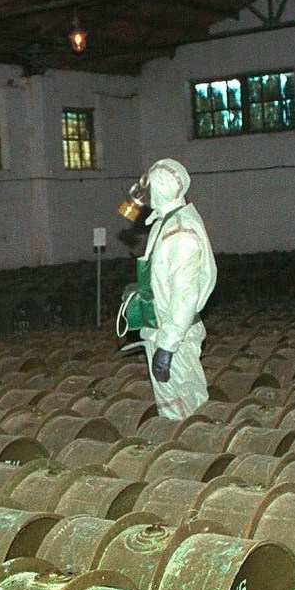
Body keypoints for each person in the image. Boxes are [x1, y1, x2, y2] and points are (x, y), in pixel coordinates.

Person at [116, 158, 217, 419]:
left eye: (150, 188)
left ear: (160, 189)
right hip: (162, 330)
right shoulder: (166, 219)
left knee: (183, 408)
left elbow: (184, 297)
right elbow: (129, 214)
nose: (145, 194)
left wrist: (167, 347)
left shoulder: (181, 234)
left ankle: (194, 451)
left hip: (175, 336)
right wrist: (134, 196)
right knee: (174, 405)